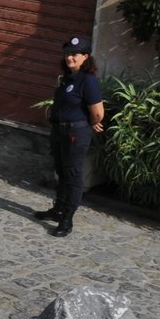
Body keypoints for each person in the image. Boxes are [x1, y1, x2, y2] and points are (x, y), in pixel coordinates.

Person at [35, 34, 105, 237]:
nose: (70, 57)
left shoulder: (88, 80)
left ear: (86, 57)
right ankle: (58, 209)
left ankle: (67, 219)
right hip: (60, 132)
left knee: (73, 176)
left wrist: (88, 124)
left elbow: (98, 113)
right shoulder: (67, 78)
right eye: (67, 53)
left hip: (76, 134)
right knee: (62, 172)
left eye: (75, 54)